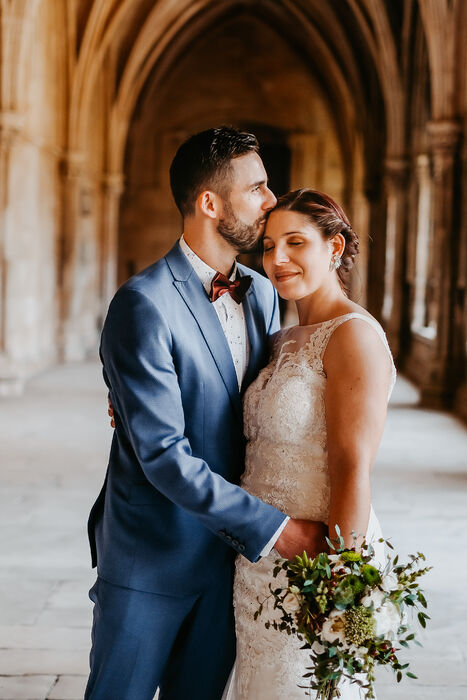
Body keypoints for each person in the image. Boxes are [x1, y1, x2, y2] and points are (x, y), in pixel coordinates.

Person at [85, 127, 327, 700]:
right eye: (258, 188)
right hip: (152, 556)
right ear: (210, 203)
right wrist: (278, 531)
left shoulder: (264, 294)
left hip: (231, 566)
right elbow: (164, 457)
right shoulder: (143, 304)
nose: (271, 201)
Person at [229, 188, 396, 699]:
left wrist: (341, 586)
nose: (277, 260)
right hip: (257, 562)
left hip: (314, 562)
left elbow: (352, 468)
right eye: (268, 245)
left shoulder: (353, 336)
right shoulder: (278, 338)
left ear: (335, 248)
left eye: (296, 243)